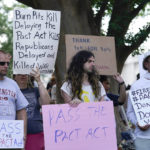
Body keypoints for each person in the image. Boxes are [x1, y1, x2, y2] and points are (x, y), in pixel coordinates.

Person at [14, 68, 51, 150]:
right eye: (19, 73)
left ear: (28, 76)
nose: (23, 75)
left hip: (36, 133)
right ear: (14, 76)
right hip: (15, 135)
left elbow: (46, 104)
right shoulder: (11, 92)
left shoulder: (36, 90)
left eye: (25, 73)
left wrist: (39, 81)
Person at [0, 50, 28, 148]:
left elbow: (21, 110)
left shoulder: (13, 84)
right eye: (2, 63)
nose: (6, 66)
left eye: (8, 63)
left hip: (9, 140)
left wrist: (23, 135)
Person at [127, 54, 150, 150]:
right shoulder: (136, 86)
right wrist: (137, 123)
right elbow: (130, 112)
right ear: (146, 64)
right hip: (143, 137)